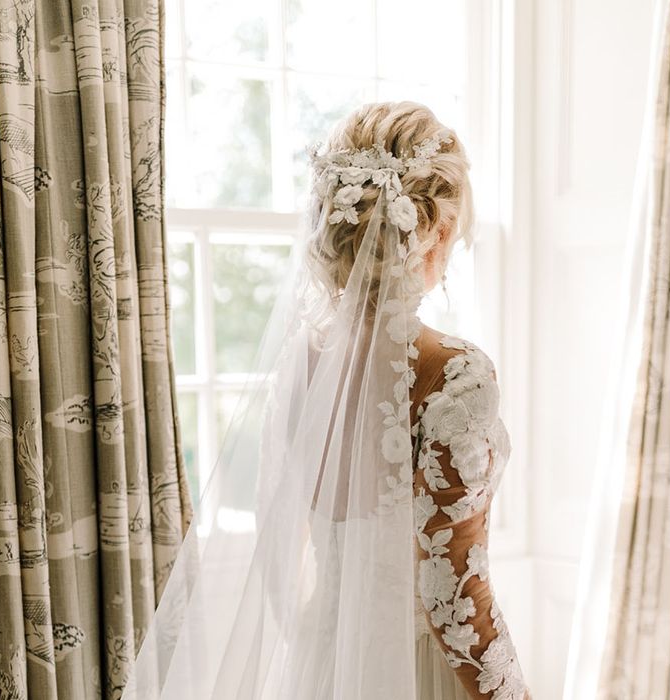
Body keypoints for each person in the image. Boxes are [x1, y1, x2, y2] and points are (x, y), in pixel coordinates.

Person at [125, 100, 531, 699]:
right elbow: (454, 598)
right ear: (435, 232)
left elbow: (279, 552)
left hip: (323, 660)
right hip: (417, 672)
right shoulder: (457, 373)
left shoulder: (300, 362)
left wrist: (323, 644)